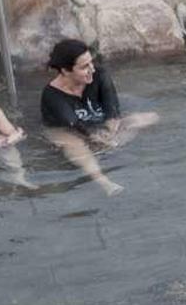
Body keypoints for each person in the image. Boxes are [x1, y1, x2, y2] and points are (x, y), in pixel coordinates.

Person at [41, 39, 159, 196]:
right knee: (75, 145)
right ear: (65, 71)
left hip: (98, 126)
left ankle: (111, 151)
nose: (92, 69)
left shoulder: (99, 74)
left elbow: (112, 108)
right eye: (84, 67)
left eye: (91, 63)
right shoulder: (51, 95)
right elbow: (74, 124)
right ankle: (105, 182)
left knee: (149, 117)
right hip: (66, 130)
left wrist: (110, 130)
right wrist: (97, 138)